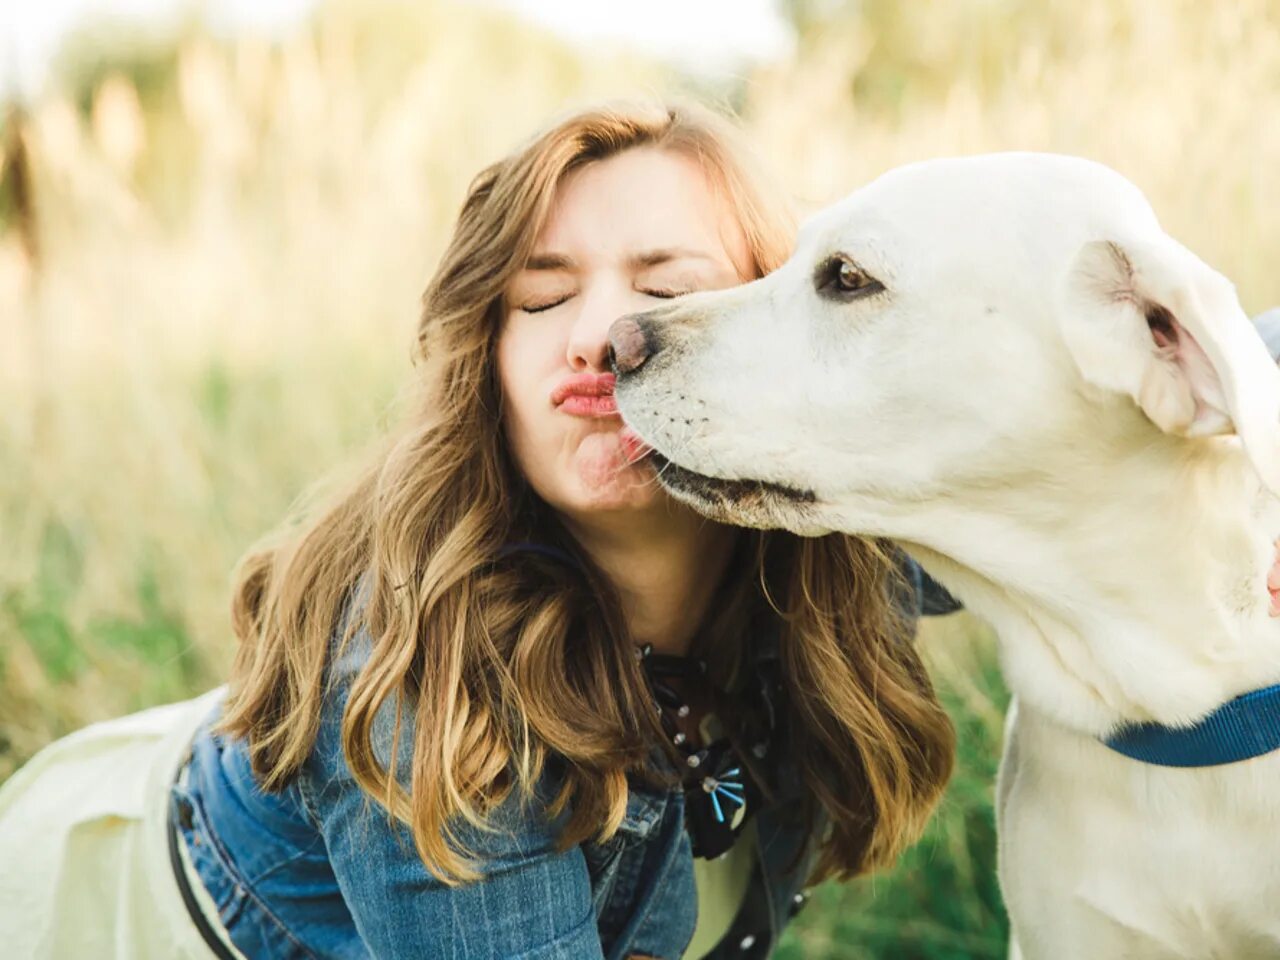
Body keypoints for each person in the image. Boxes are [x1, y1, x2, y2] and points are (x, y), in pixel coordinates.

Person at [0, 98, 1276, 960]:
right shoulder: (429, 704)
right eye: (536, 297)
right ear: (477, 363)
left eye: (670, 290)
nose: (605, 341)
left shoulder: (839, 533)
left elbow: (1096, 443)